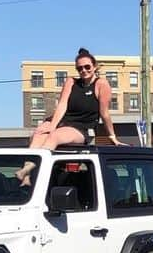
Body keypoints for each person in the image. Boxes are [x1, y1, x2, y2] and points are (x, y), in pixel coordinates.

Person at [16, 48, 122, 185]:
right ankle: (26, 176)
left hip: (81, 127)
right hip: (62, 121)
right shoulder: (71, 82)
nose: (83, 70)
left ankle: (32, 170)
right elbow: (62, 105)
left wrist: (112, 136)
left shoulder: (102, 84)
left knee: (54, 136)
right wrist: (52, 126)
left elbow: (104, 113)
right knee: (38, 133)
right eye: (79, 68)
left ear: (94, 67)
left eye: (87, 67)